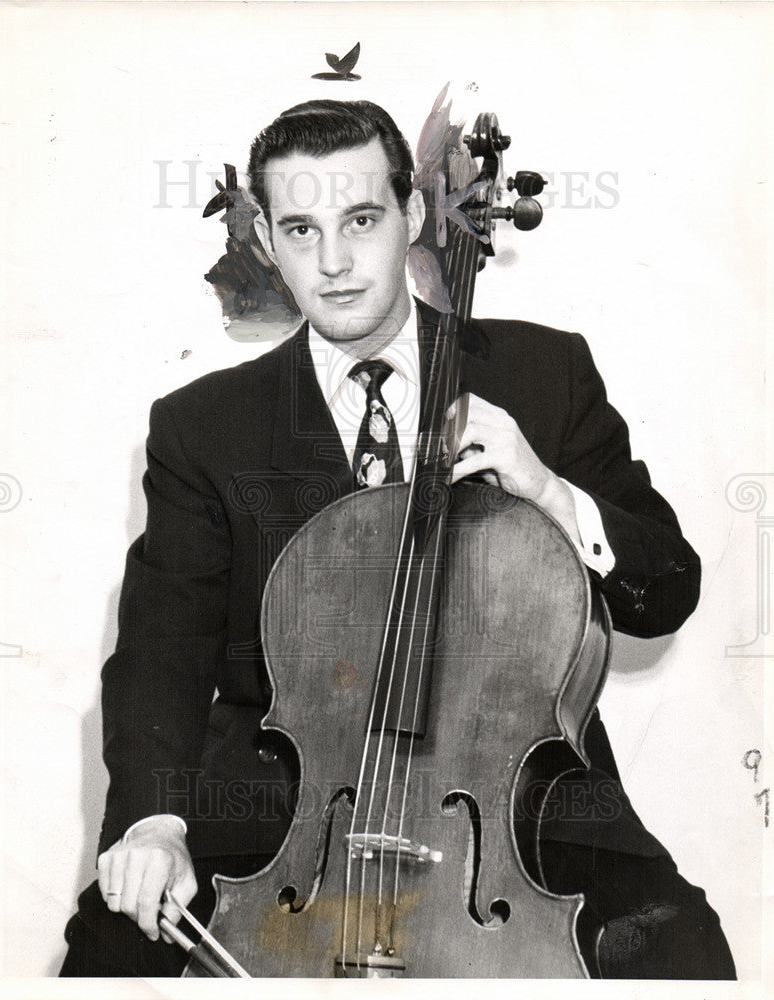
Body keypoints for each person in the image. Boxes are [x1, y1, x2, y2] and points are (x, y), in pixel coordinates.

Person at [61, 99, 735, 979]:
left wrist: (547, 490)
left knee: (676, 949)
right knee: (110, 952)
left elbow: (666, 590)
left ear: (414, 217)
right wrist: (152, 821)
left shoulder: (543, 372)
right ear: (264, 238)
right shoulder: (203, 425)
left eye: (362, 221)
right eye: (300, 229)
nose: (333, 263)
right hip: (284, 813)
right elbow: (161, 651)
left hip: (521, 814)